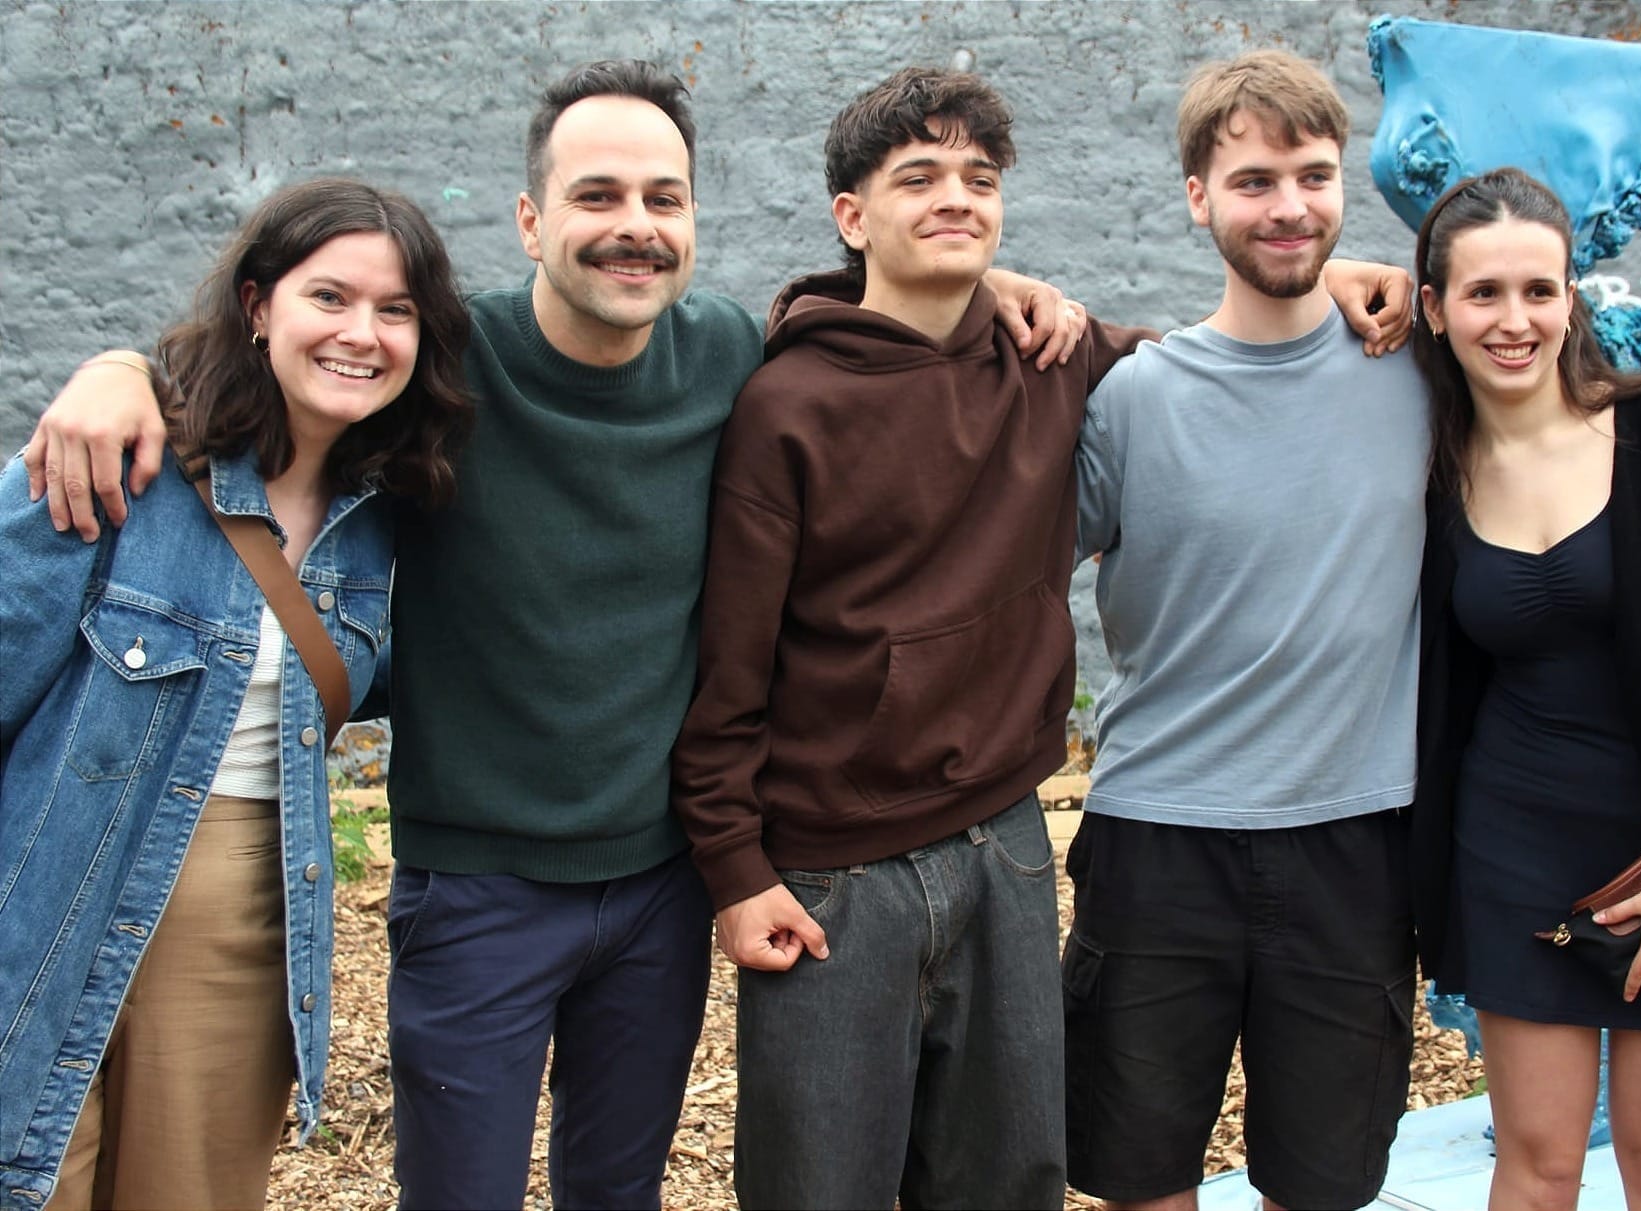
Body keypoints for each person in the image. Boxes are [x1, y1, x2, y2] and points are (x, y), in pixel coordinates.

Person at [13, 60, 1093, 1210]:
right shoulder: (440, 372)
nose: (632, 227)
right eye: (595, 196)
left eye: (662, 199)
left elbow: (880, 320)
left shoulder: (734, 358)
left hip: (659, 885)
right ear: (531, 221)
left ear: (691, 222)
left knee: (614, 1191)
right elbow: (294, 376)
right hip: (476, 881)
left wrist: (996, 278)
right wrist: (128, 369)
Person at [670, 67, 1147, 1210]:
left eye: (978, 180)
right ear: (851, 215)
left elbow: (1225, 362)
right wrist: (735, 867)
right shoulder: (787, 406)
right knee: (818, 1185)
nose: (955, 199)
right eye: (917, 177)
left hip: (1007, 840)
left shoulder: (1050, 357)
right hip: (834, 872)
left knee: (1006, 1177)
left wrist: (1336, 280)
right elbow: (727, 665)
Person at [0, 177, 471, 1210]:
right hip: (45, 883)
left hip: (243, 913)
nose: (363, 333)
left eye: (397, 311)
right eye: (330, 297)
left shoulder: (392, 516)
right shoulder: (118, 460)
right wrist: (120, 366)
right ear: (259, 305)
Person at [1063, 50, 1429, 1211]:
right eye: (1253, 179)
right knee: (1136, 1176)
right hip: (1155, 834)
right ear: (1194, 196)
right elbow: (989, 568)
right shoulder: (1129, 397)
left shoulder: (1418, 369)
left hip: (1352, 840)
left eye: (1313, 176)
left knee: (1321, 1184)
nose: (1287, 206)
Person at [1409, 166, 1641, 1211]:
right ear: (1434, 309)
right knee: (1533, 1170)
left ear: (1571, 297)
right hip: (1512, 852)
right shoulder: (1435, 463)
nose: (1514, 318)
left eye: (1539, 289)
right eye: (1482, 293)